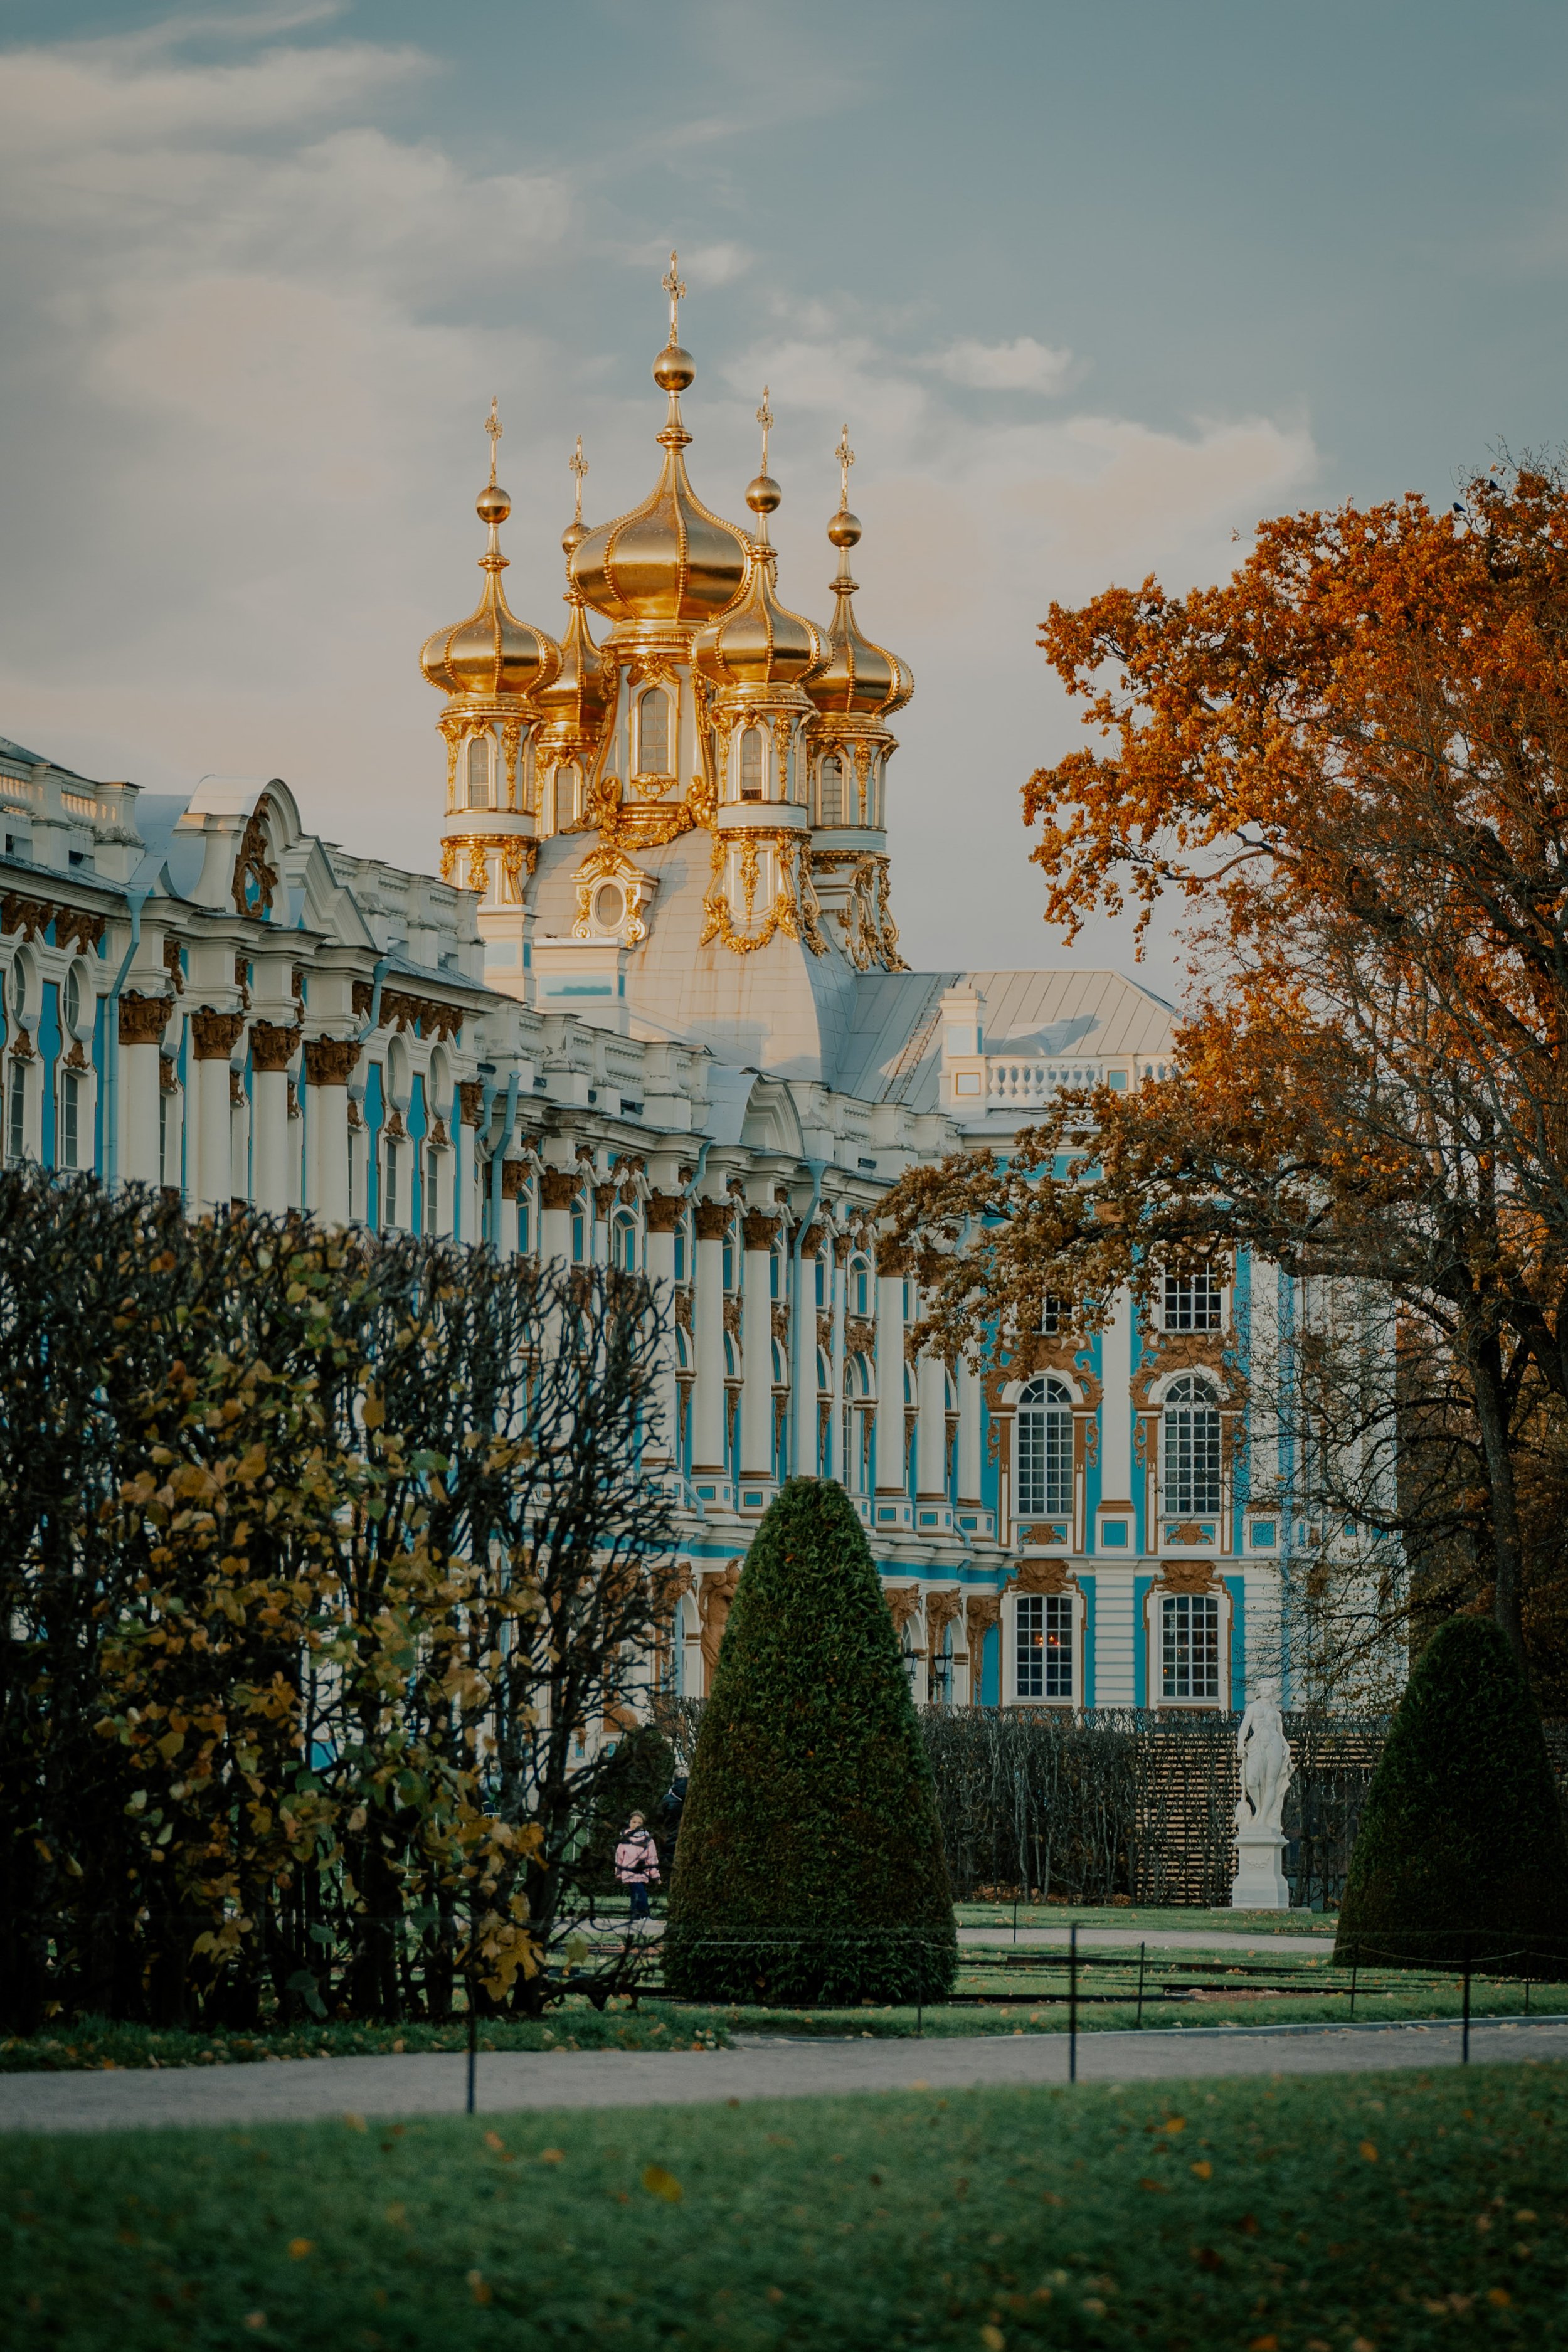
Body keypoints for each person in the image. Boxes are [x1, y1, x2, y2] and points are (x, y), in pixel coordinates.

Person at [614, 1811, 660, 1927]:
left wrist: (655, 1875)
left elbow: (652, 1858)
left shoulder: (648, 1840)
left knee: (636, 1893)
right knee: (641, 1892)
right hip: (629, 1871)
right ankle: (645, 1915)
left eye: (639, 1822)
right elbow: (619, 1856)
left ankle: (634, 1916)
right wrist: (618, 1872)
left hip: (642, 1870)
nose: (636, 1824)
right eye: (634, 1822)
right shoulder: (625, 1839)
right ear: (630, 1823)